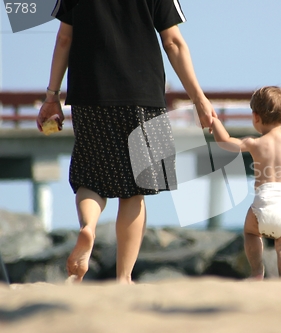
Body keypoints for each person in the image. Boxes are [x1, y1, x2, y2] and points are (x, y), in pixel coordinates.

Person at [36, 0, 216, 284]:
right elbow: (173, 43)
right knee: (135, 190)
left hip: (89, 93)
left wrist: (51, 95)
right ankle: (123, 277)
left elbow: (64, 38)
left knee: (90, 177)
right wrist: (199, 98)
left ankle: (89, 228)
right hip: (143, 95)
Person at [211, 86, 281, 280]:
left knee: (250, 233)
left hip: (263, 202)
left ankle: (257, 272)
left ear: (255, 117)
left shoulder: (255, 143)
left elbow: (225, 142)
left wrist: (214, 122)